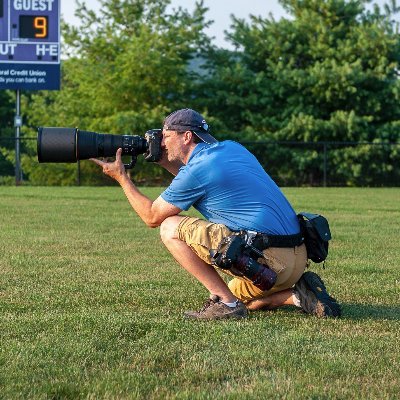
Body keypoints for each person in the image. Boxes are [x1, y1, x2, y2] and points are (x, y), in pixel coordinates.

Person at [91, 108, 341, 320]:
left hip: (269, 258)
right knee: (240, 295)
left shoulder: (198, 170)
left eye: (166, 136)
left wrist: (122, 177)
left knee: (169, 227)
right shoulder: (232, 149)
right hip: (296, 258)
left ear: (186, 136)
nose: (162, 142)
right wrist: (165, 162)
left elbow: (152, 217)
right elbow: (197, 179)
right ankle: (298, 296)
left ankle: (227, 305)